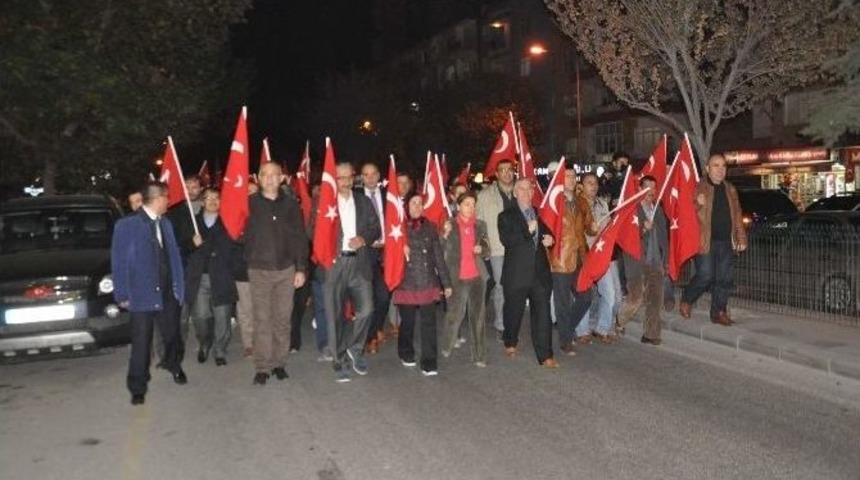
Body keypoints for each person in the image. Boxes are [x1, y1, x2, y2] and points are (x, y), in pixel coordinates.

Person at [111, 181, 187, 405]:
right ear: (156, 199)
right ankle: (138, 386)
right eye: (166, 197)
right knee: (141, 343)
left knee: (172, 335)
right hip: (140, 294)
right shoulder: (127, 226)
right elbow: (119, 261)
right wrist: (122, 293)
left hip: (167, 292)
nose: (168, 201)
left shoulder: (166, 224)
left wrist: (179, 288)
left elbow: (174, 257)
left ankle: (174, 365)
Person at [243, 162, 308, 385]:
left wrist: (301, 268)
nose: (270, 179)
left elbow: (300, 239)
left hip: (285, 270)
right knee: (262, 320)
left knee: (282, 320)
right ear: (258, 178)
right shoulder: (248, 205)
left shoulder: (291, 205)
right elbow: (237, 233)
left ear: (282, 178)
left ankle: (279, 362)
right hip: (259, 270)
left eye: (274, 175)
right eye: (265, 175)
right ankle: (262, 366)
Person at [324, 162, 381, 383]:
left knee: (367, 309)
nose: (346, 181)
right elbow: (313, 230)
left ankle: (354, 349)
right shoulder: (326, 202)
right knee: (335, 315)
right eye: (341, 178)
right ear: (334, 178)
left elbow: (375, 227)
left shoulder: (363, 201)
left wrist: (364, 238)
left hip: (359, 263)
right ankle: (338, 359)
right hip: (335, 264)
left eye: (349, 177)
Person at [498, 178, 559, 368]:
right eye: (522, 189)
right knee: (513, 311)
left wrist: (550, 239)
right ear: (515, 193)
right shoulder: (506, 216)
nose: (526, 192)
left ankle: (545, 355)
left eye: (529, 189)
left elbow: (548, 235)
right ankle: (510, 340)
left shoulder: (538, 214)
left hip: (539, 274)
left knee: (542, 314)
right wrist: (527, 229)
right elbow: (507, 240)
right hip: (517, 274)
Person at [680, 154, 748, 326]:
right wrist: (697, 204)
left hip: (726, 240)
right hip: (705, 240)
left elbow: (737, 214)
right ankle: (688, 299)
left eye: (723, 166)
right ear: (707, 168)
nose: (720, 169)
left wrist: (741, 236)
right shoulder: (698, 187)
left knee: (724, 279)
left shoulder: (730, 189)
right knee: (705, 275)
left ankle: (719, 312)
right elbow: (685, 214)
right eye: (716, 166)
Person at [393, 193, 452, 376]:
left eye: (420, 203)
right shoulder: (398, 227)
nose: (417, 206)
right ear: (406, 206)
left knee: (429, 323)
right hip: (406, 282)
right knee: (408, 322)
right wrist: (399, 249)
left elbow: (438, 257)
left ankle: (429, 361)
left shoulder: (430, 227)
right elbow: (389, 256)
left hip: (427, 281)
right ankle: (405, 351)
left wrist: (446, 283)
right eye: (414, 203)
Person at [185, 188, 237, 366]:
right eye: (209, 198)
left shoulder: (229, 222)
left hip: (221, 275)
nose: (213, 201)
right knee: (200, 316)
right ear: (202, 201)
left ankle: (220, 350)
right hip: (199, 277)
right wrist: (192, 243)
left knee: (222, 316)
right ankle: (204, 342)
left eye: (217, 198)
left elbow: (235, 247)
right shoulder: (192, 223)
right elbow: (181, 247)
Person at [548, 168, 596, 356]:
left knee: (585, 297)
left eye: (573, 176)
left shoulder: (581, 202)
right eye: (566, 176)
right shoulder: (553, 201)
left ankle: (565, 328)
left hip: (580, 256)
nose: (571, 179)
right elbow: (546, 225)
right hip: (560, 256)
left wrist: (594, 228)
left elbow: (589, 228)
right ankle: (566, 341)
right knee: (562, 301)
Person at [616, 176, 668, 344]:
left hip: (656, 262)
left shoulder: (658, 209)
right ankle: (620, 319)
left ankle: (651, 334)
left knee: (655, 299)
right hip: (636, 261)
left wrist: (665, 260)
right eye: (647, 187)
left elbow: (664, 238)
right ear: (639, 189)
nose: (651, 191)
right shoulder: (631, 209)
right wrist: (642, 229)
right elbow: (625, 236)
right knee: (635, 298)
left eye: (653, 188)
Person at [440, 191, 489, 366]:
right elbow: (440, 249)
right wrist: (444, 235)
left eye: (473, 204)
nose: (471, 208)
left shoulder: (480, 225)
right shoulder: (450, 225)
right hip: (457, 277)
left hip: (477, 277)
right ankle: (446, 343)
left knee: (478, 317)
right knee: (455, 314)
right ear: (459, 206)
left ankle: (479, 355)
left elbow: (487, 247)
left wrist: (481, 249)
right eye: (467, 204)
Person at [576, 172, 623, 344]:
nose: (593, 186)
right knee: (584, 294)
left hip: (602, 255)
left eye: (595, 183)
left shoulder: (602, 203)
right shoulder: (577, 204)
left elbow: (609, 228)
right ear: (581, 186)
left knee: (610, 293)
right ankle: (582, 330)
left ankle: (602, 328)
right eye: (589, 183)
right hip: (584, 255)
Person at [476, 159, 516, 338]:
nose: (507, 173)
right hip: (498, 248)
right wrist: (482, 245)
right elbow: (478, 222)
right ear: (497, 174)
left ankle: (512, 318)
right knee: (500, 286)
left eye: (510, 170)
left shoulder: (520, 192)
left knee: (515, 286)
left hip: (518, 249)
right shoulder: (485, 196)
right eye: (503, 170)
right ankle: (501, 323)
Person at [358, 162, 390, 354]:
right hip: (366, 252)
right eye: (365, 175)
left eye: (373, 174)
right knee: (368, 297)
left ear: (379, 175)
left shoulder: (389, 197)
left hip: (387, 252)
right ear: (362, 177)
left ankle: (376, 327)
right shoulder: (356, 198)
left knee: (384, 296)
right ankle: (369, 337)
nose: (369, 178)